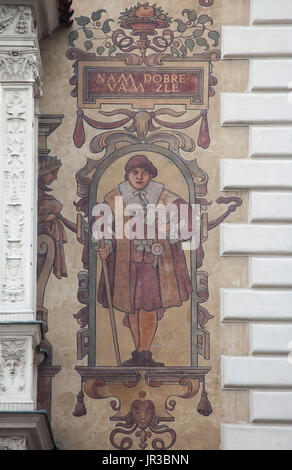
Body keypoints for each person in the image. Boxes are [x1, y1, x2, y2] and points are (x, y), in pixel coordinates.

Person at [93, 155, 195, 367]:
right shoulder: (114, 197)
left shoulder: (163, 196)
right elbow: (103, 228)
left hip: (153, 261)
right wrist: (105, 247)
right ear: (127, 175)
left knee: (148, 306)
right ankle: (139, 353)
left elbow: (188, 221)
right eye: (135, 172)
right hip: (125, 261)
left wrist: (168, 236)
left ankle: (144, 353)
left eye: (145, 172)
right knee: (131, 306)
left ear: (151, 175)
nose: (140, 177)